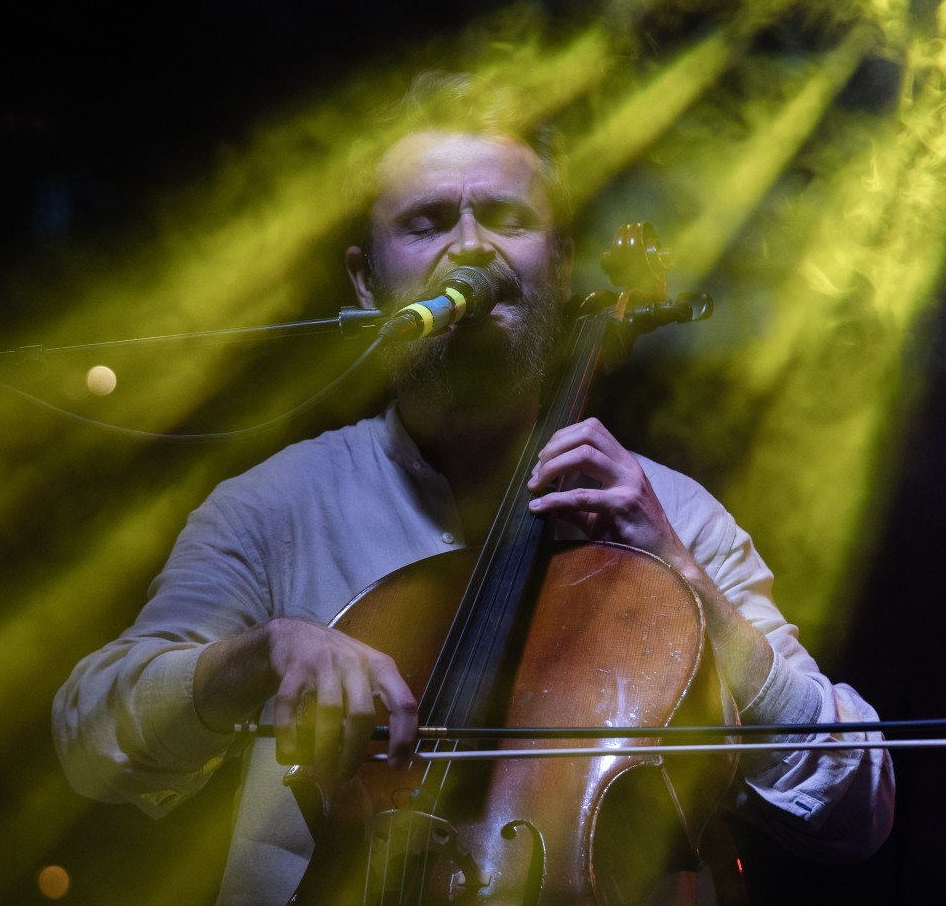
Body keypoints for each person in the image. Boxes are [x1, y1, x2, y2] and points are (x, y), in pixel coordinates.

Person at [52, 73, 896, 904]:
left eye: (504, 217)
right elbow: (88, 737)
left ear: (559, 264)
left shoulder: (671, 516)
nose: (470, 246)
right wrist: (257, 655)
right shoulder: (276, 507)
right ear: (364, 279)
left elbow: (856, 805)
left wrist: (687, 586)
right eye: (426, 221)